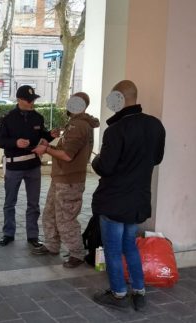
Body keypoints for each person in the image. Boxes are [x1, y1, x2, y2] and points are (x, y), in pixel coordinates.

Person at [91, 80, 165, 311]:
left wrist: (95, 159)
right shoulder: (155, 125)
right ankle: (139, 291)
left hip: (114, 201)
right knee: (130, 246)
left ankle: (119, 293)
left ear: (118, 99)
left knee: (113, 249)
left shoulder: (116, 130)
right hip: (137, 201)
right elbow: (157, 159)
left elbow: (106, 167)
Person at [31, 92, 100, 268]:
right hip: (61, 177)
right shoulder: (76, 124)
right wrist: (50, 144)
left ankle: (77, 253)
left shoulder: (78, 126)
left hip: (69, 180)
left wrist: (45, 150)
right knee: (50, 212)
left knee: (66, 218)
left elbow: (67, 155)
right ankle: (52, 245)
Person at [0, 85, 54, 248]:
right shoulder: (7, 118)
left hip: (33, 165)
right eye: (29, 100)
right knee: (10, 202)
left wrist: (51, 135)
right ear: (19, 100)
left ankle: (33, 235)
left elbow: (43, 136)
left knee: (33, 203)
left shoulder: (38, 117)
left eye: (33, 99)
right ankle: (8, 233)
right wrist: (15, 142)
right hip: (14, 167)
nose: (31, 102)